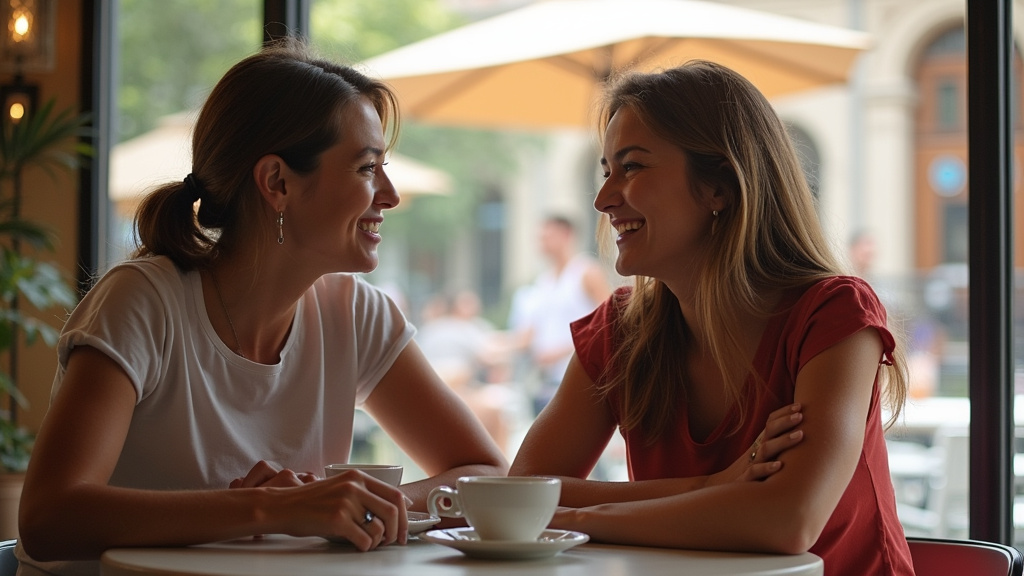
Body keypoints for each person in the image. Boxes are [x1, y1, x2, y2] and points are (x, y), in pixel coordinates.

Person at [16, 39, 507, 575]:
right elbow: (48, 518)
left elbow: (483, 471)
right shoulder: (142, 302)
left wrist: (343, 500)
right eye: (367, 168)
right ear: (276, 182)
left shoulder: (355, 314)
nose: (387, 195)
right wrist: (275, 508)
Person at [509, 60, 913, 576]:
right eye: (606, 170)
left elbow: (787, 520)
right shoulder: (621, 331)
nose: (603, 199)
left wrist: (578, 516)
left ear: (720, 187)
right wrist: (717, 485)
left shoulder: (832, 313)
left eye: (631, 167)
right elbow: (519, 495)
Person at [507, 214, 611, 415]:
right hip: (549, 380)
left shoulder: (586, 272)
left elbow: (608, 320)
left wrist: (563, 351)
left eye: (548, 236)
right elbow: (529, 334)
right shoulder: (543, 281)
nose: (542, 243)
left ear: (567, 235)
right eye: (540, 238)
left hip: (581, 375)